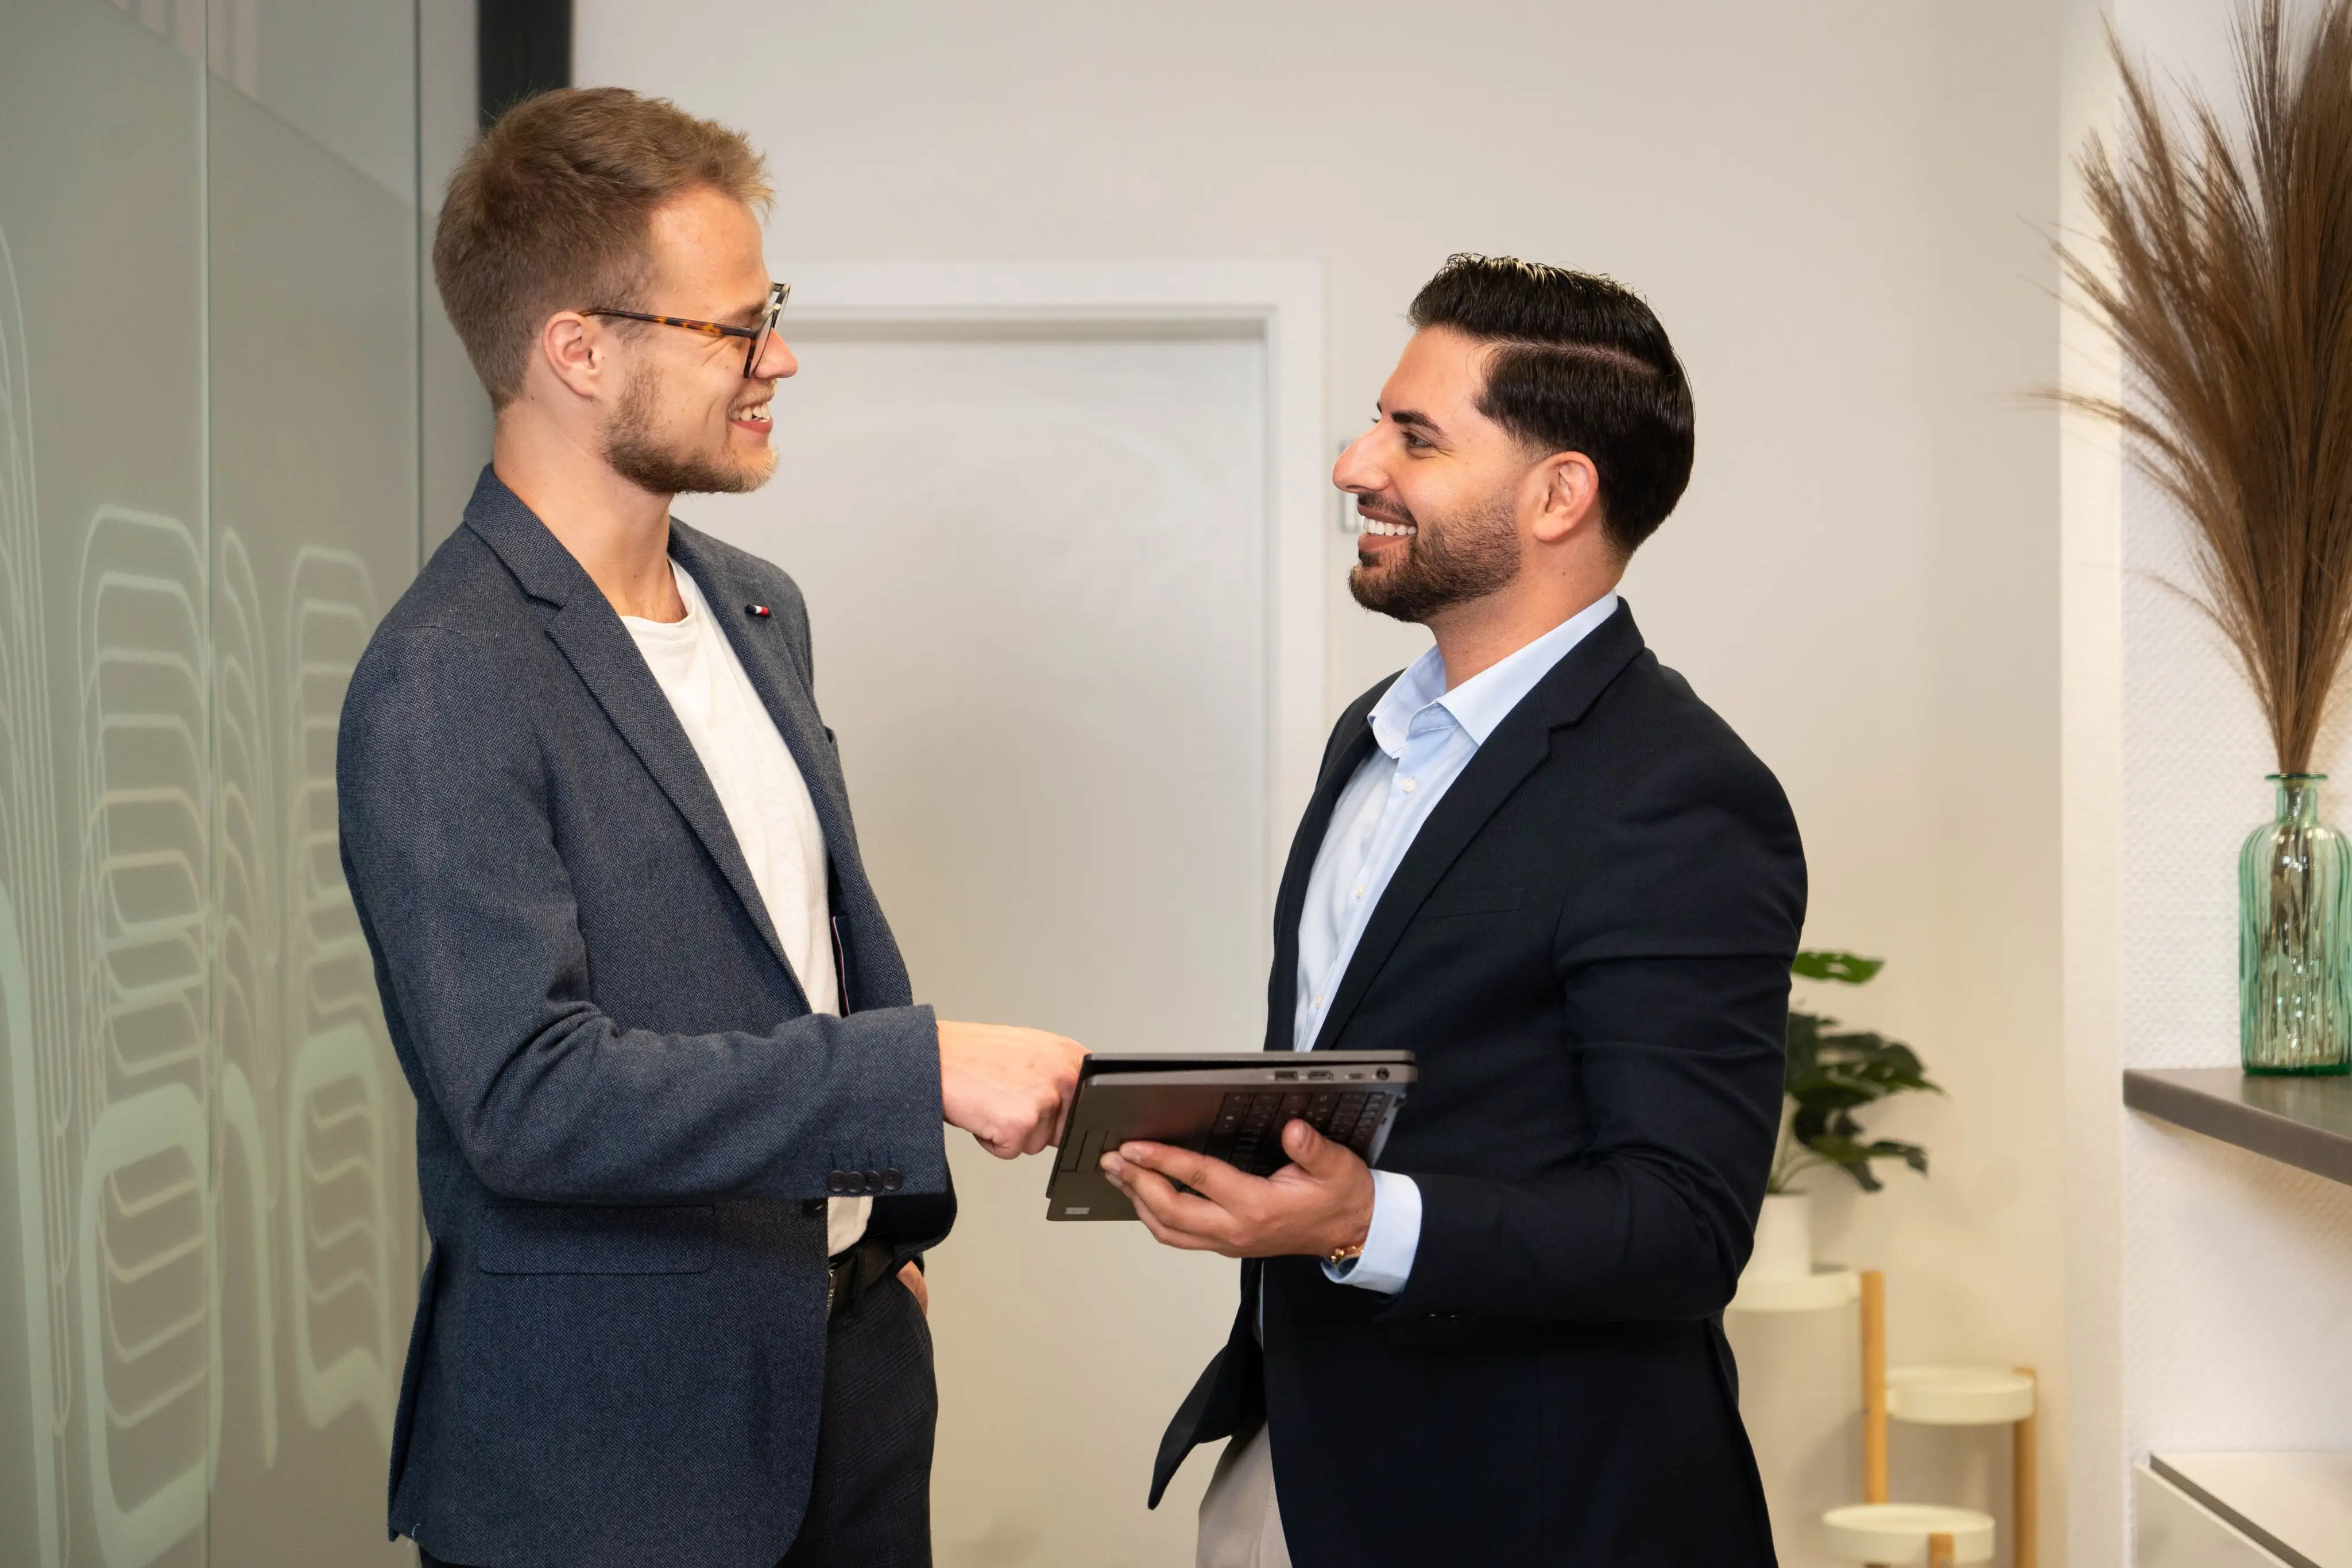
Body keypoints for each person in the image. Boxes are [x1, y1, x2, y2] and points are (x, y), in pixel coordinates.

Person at [336, 87, 1087, 1568]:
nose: (778, 358)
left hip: (842, 1386)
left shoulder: (758, 606)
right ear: (575, 349)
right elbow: (528, 1100)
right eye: (734, 327)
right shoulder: (442, 674)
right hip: (607, 1463)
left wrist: (871, 1262)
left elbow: (791, 951)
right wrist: (915, 1071)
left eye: (772, 311)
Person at [1106, 254, 1806, 1566]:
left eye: (1412, 437)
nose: (1354, 465)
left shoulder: (1679, 791)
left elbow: (1679, 1225)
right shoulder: (1368, 742)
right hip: (1295, 1461)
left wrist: (1361, 1219)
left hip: (1530, 1507)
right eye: (1375, 422)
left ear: (1558, 494)